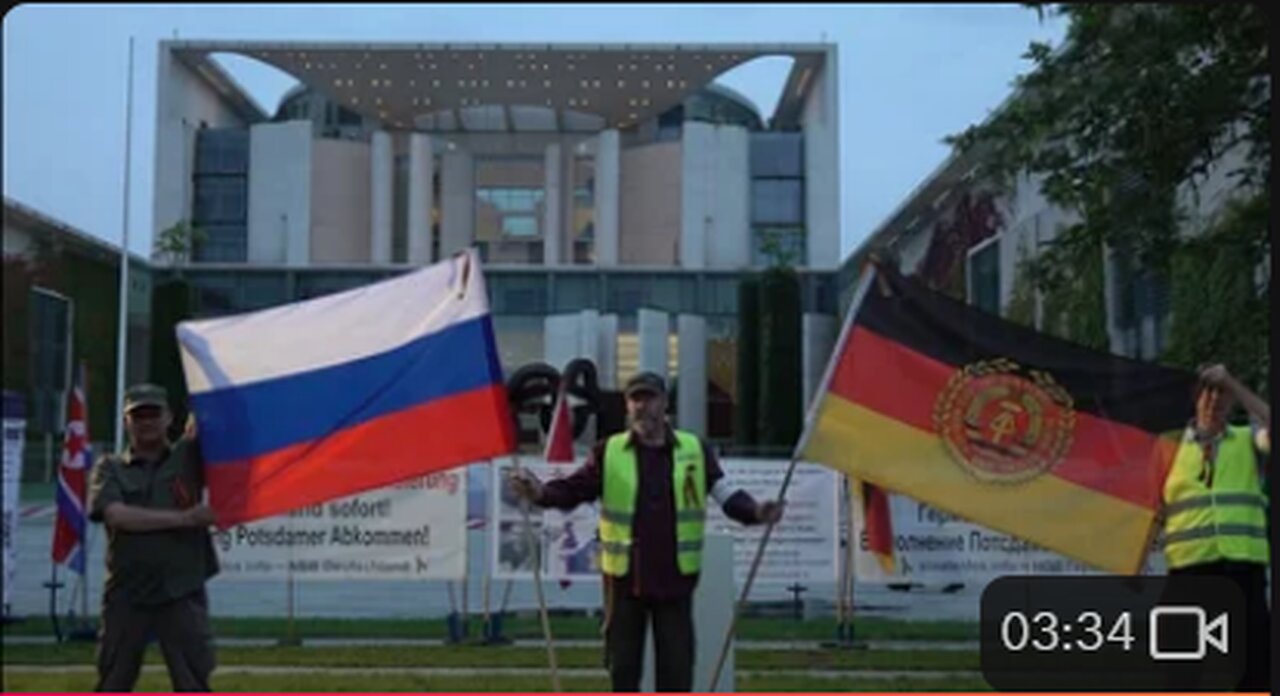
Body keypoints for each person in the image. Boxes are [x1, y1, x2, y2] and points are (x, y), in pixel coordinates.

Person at [510, 371, 783, 692]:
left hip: (675, 582)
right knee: (623, 671)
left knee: (677, 672)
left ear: (664, 403)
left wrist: (756, 511)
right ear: (627, 406)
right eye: (635, 399)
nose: (642, 406)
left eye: (649, 398)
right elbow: (574, 489)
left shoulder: (694, 450)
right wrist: (540, 493)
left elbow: (725, 493)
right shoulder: (608, 451)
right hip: (624, 583)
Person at [88, 384, 219, 692]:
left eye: (153, 413)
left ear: (168, 418)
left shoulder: (188, 457)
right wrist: (184, 519)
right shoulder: (110, 468)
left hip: (180, 590)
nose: (145, 421)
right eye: (137, 415)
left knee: (193, 682)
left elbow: (213, 420)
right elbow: (117, 516)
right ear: (126, 422)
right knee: (113, 681)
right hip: (127, 593)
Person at [1161, 364, 1270, 691]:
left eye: (1222, 394)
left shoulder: (1247, 440)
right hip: (1189, 573)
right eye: (1208, 392)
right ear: (1195, 400)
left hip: (1242, 571)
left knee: (1253, 670)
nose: (1214, 400)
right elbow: (1145, 507)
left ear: (1233, 401)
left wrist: (1232, 381)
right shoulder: (1168, 448)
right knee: (1181, 669)